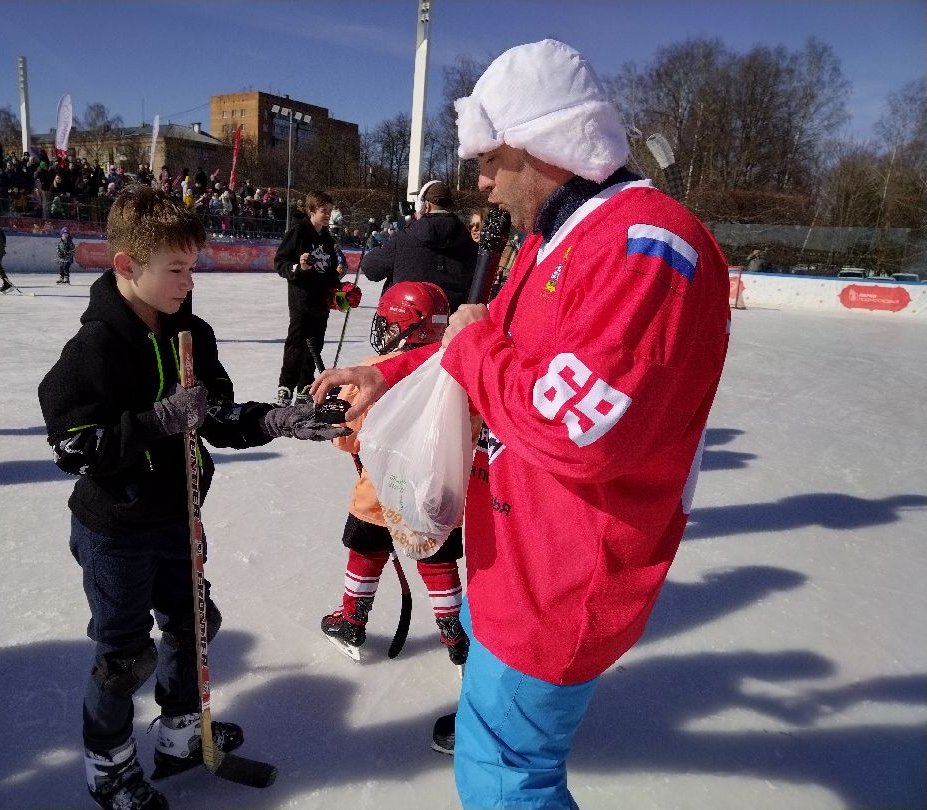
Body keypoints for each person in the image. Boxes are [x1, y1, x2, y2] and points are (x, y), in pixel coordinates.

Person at [311, 39, 731, 808]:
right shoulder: (553, 240)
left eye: (489, 159)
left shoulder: (644, 247)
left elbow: (582, 430)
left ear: (544, 147)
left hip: (563, 576)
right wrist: (383, 374)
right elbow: (478, 349)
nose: (478, 180)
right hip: (514, 553)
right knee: (494, 750)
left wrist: (471, 347)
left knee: (507, 781)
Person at [37, 185, 350, 810]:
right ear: (127, 265)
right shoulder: (94, 349)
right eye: (175, 269)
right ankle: (108, 764)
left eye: (192, 265)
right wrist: (154, 422)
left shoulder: (192, 332)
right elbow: (71, 446)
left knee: (194, 626)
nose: (188, 280)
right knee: (124, 654)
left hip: (178, 514)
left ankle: (180, 736)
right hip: (117, 529)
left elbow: (219, 415)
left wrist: (279, 420)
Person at [321, 281, 477, 668]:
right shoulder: (461, 370)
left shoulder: (373, 372)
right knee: (437, 561)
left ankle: (353, 620)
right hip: (437, 493)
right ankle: (454, 632)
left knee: (366, 552)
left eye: (390, 325)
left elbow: (347, 440)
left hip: (377, 495)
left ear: (402, 327)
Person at [273, 190, 359, 405]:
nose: (328, 215)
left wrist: (341, 294)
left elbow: (330, 272)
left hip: (321, 302)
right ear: (311, 210)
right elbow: (280, 262)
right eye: (324, 211)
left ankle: (305, 385)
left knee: (316, 344)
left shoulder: (327, 238)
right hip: (301, 300)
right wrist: (298, 267)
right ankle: (286, 385)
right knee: (297, 343)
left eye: (330, 211)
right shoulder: (298, 232)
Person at [361, 180, 478, 312]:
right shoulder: (470, 243)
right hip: (454, 326)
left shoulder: (404, 238)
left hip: (406, 324)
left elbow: (371, 268)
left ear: (425, 206)